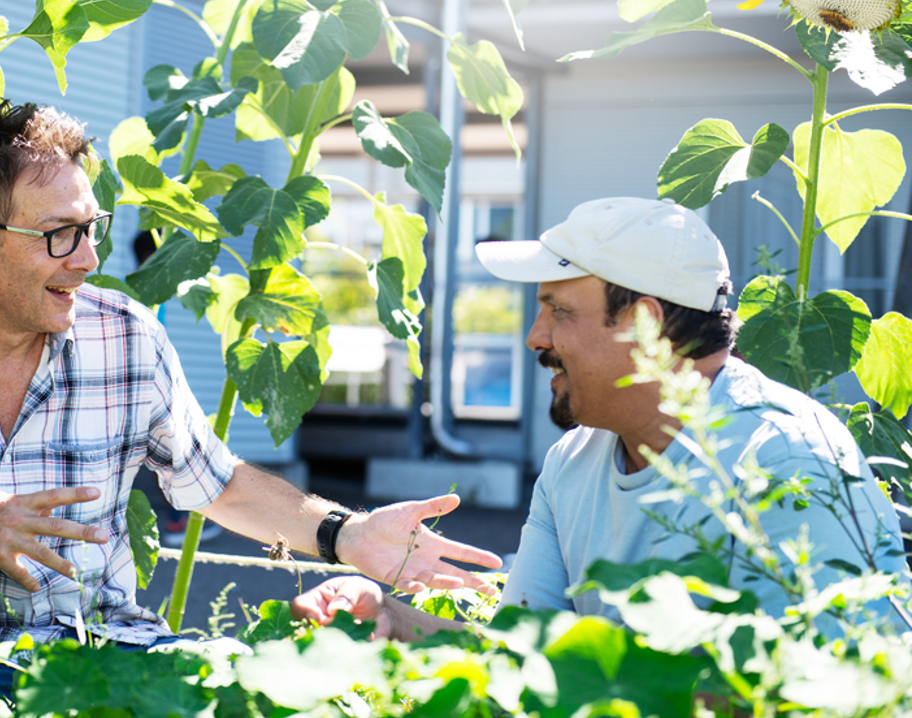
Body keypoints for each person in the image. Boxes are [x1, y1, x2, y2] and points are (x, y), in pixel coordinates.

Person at [0, 102, 500, 652]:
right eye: (60, 235)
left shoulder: (126, 337)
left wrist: (346, 533)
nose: (90, 260)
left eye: (91, 229)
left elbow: (218, 484)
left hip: (113, 656)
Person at [293, 197, 909, 639]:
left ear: (645, 323)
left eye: (558, 311)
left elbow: (826, 690)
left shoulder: (783, 458)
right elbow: (526, 656)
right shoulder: (573, 461)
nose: (536, 338)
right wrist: (391, 617)